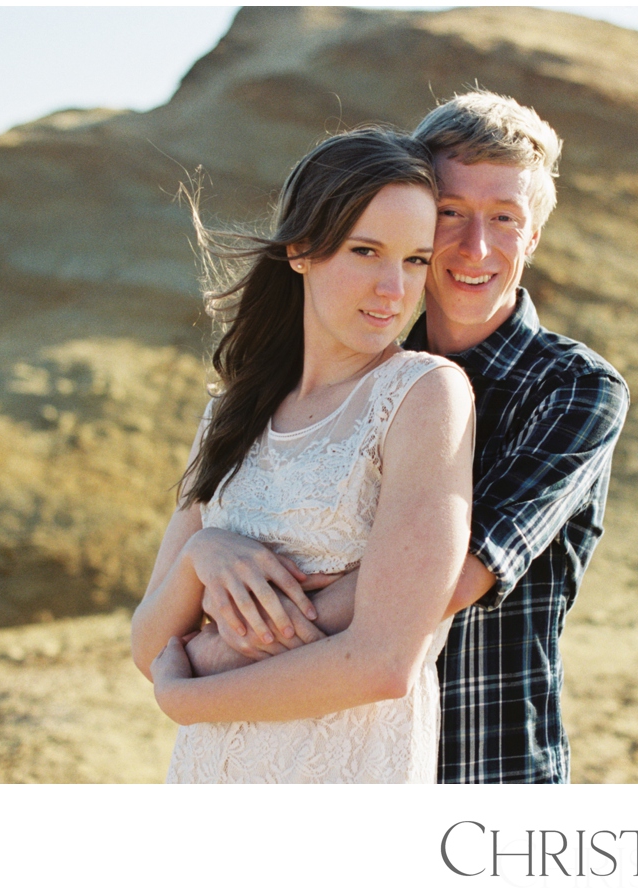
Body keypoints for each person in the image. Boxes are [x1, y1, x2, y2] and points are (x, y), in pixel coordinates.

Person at [189, 91, 630, 784]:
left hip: (486, 767)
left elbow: (445, 579)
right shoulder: (361, 378)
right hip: (329, 754)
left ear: (534, 237)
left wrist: (212, 656)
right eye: (451, 213)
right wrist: (208, 548)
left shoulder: (573, 390)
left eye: (505, 219)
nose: (474, 246)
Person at [130, 126, 476, 783]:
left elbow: (383, 663)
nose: (392, 290)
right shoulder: (233, 413)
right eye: (365, 250)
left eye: (414, 260)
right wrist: (202, 558)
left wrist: (186, 696)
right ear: (300, 250)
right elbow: (150, 645)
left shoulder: (424, 395)